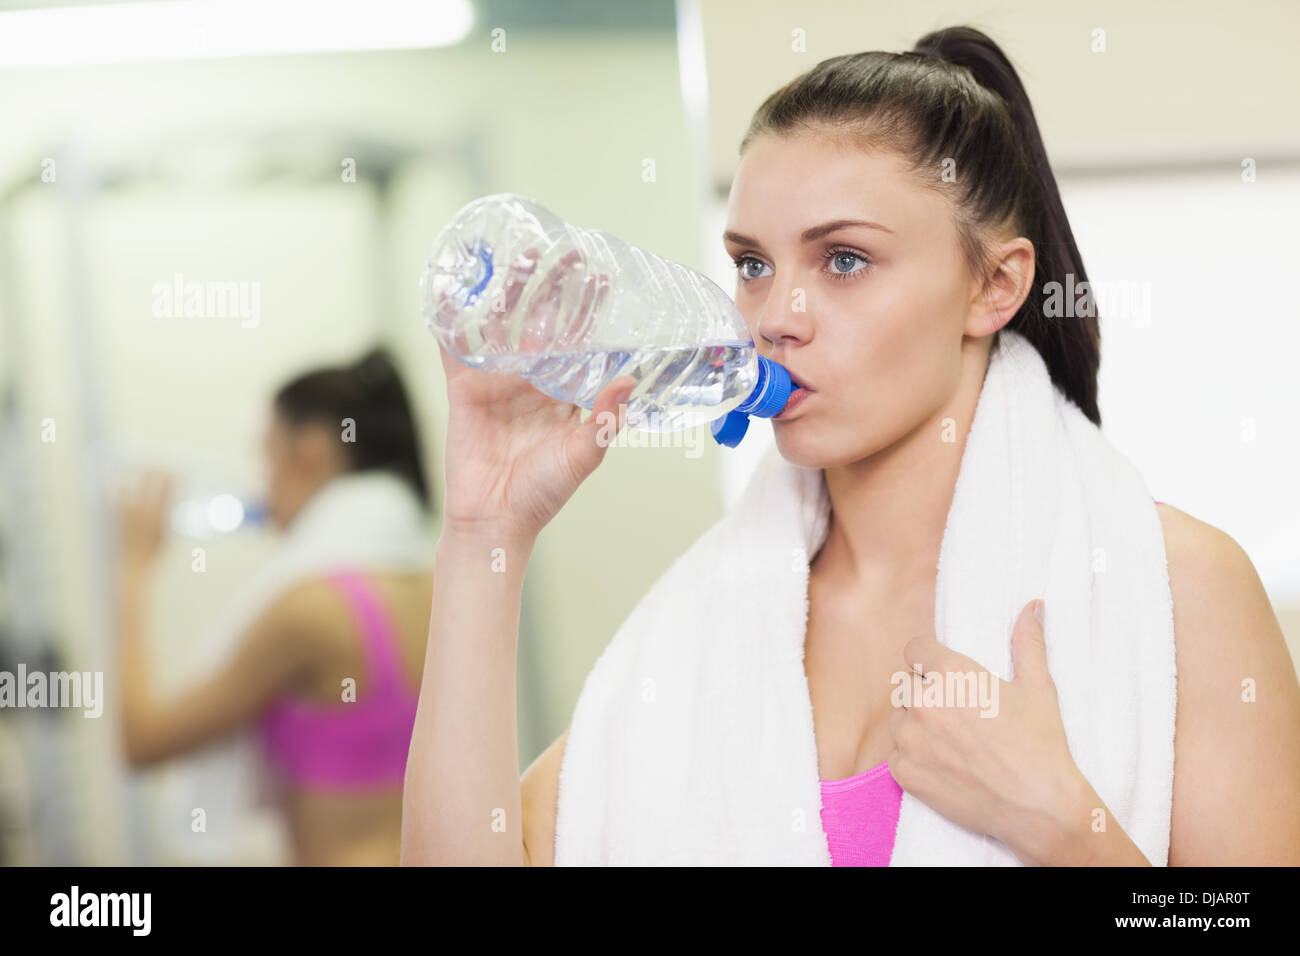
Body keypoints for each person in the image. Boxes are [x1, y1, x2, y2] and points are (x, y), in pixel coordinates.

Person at [401, 27, 1300, 866]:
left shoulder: (1181, 584)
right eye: (755, 264)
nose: (776, 320)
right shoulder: (702, 633)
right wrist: (485, 537)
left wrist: (1069, 826)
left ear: (995, 287)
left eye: (842, 261)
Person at [116, 347, 436, 866]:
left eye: (266, 454)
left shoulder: (310, 610)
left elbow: (143, 739)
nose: (263, 487)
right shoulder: (435, 584)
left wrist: (132, 569)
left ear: (309, 452)